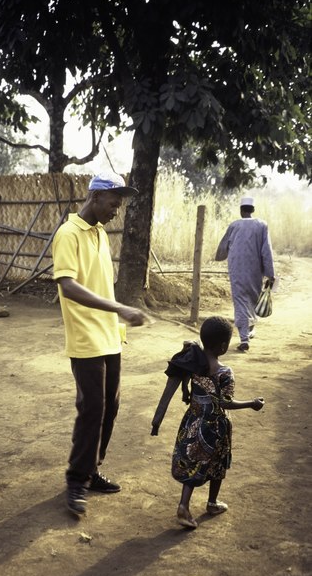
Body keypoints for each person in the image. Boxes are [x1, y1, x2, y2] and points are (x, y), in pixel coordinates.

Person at [52, 172, 147, 517]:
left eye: (119, 206)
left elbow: (100, 285)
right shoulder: (68, 233)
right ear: (95, 196)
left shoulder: (101, 234)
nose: (116, 211)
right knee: (92, 408)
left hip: (110, 336)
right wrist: (119, 308)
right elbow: (68, 285)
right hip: (86, 338)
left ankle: (91, 470)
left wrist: (119, 319)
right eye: (113, 203)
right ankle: (76, 480)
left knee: (111, 407)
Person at [151, 316, 265, 530]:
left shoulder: (194, 362)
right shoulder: (224, 372)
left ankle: (184, 505)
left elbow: (186, 380)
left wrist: (186, 391)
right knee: (218, 463)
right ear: (223, 346)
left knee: (195, 462)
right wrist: (252, 403)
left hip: (193, 421)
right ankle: (211, 503)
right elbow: (225, 403)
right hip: (216, 426)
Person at [215, 196, 275, 352]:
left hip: (237, 269)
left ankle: (244, 338)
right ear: (253, 210)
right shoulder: (262, 225)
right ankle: (247, 333)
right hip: (256, 270)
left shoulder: (234, 225)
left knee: (240, 301)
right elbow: (266, 251)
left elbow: (223, 247)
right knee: (253, 299)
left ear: (241, 210)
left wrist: (219, 256)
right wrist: (270, 273)